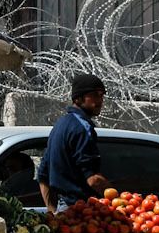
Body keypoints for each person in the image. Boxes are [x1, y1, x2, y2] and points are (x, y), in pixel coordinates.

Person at [38, 72, 111, 212]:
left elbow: (43, 176)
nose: (100, 100)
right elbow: (93, 180)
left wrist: (54, 213)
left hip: (65, 213)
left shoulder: (59, 126)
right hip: (83, 213)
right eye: (95, 95)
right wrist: (122, 202)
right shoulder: (82, 128)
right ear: (78, 99)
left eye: (102, 95)